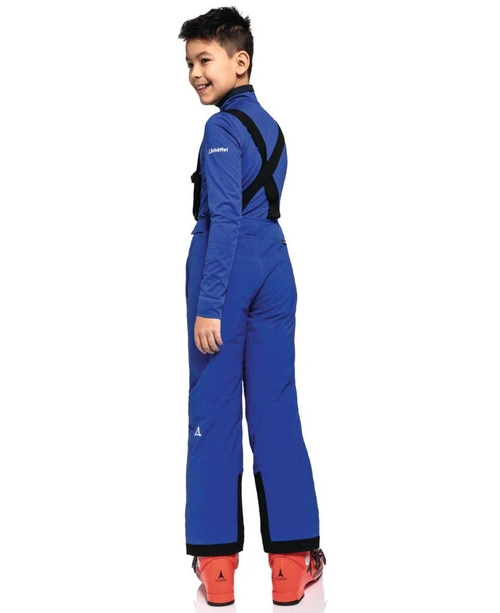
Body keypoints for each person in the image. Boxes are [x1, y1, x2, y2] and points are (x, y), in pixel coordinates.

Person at [178, 6, 326, 607]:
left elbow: (226, 219)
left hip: (228, 268)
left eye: (204, 60)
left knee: (213, 412)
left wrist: (210, 304)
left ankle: (216, 569)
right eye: (189, 63)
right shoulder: (274, 128)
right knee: (276, 410)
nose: (194, 73)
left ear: (240, 62)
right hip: (276, 265)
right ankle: (292, 564)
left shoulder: (220, 130)